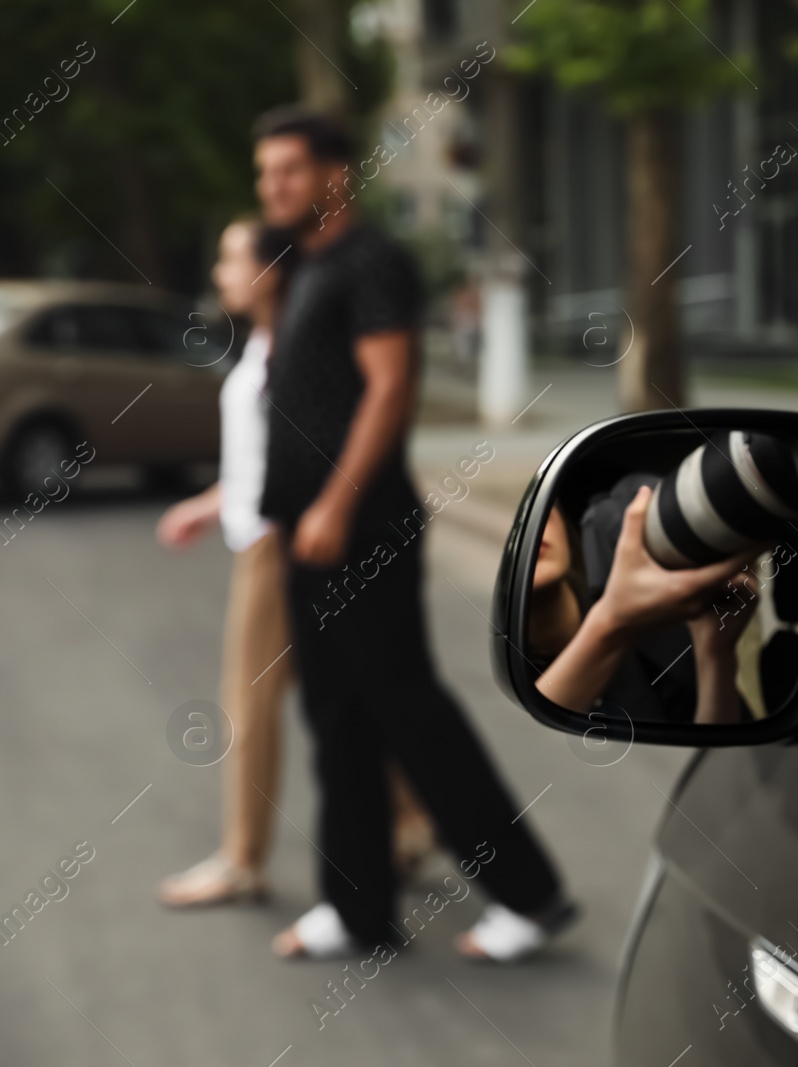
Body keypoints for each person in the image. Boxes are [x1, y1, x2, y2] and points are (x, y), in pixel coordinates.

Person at [250, 106, 570, 962]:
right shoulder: (304, 265)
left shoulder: (373, 261)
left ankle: (529, 895)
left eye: (287, 170)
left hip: (361, 527)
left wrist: (335, 504)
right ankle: (358, 910)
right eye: (265, 172)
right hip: (308, 529)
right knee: (336, 713)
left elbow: (388, 390)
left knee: (406, 707)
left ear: (336, 176)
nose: (271, 186)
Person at [153, 220, 438, 907]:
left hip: (277, 545)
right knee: (358, 686)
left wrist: (327, 512)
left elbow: (315, 450)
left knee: (249, 704)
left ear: (271, 272)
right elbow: (258, 459)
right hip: (266, 531)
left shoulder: (300, 352)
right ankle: (413, 821)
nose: (220, 272)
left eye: (231, 258)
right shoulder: (262, 347)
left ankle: (243, 859)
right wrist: (209, 502)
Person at [529, 486, 758, 725]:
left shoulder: (660, 632)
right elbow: (529, 738)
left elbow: (716, 750)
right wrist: (614, 622)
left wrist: (714, 652)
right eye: (518, 524)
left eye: (536, 505)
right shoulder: (514, 678)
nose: (532, 526)